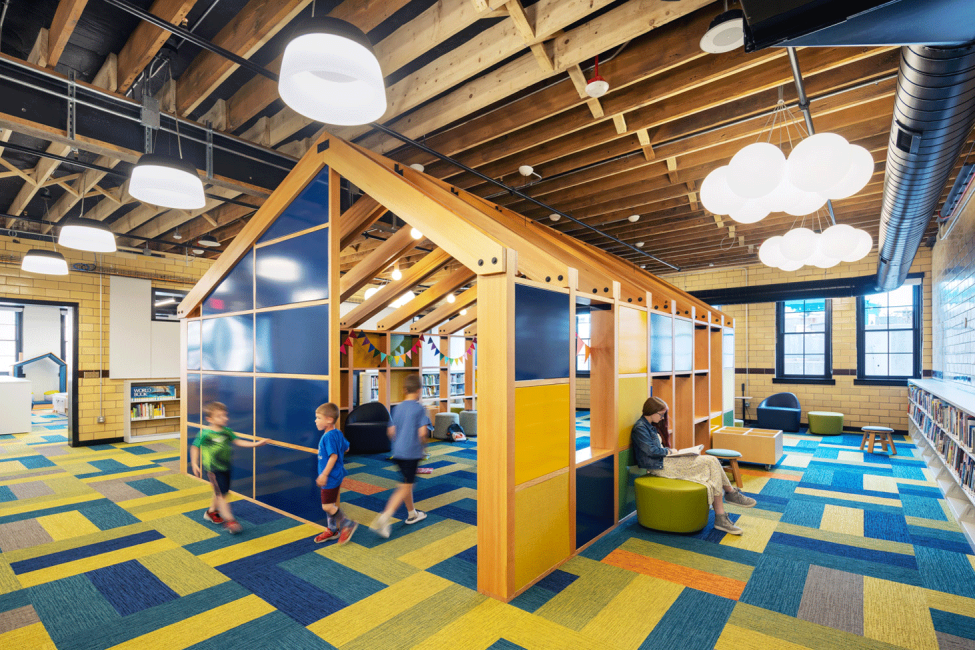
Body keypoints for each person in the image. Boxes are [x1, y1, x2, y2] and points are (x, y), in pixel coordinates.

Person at [631, 396, 756, 535]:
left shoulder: (649, 426)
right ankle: (729, 496)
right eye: (661, 414)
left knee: (712, 462)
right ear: (652, 412)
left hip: (665, 461)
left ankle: (725, 505)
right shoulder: (640, 428)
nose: (662, 418)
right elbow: (650, 450)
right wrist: (669, 451)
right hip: (658, 467)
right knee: (710, 462)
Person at [191, 401, 268, 534]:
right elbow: (195, 447)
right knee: (222, 495)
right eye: (220, 416)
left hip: (225, 467)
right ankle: (230, 520)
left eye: (225, 415)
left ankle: (210, 512)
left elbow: (238, 441)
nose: (225, 418)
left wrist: (255, 444)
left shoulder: (227, 432)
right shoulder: (205, 433)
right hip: (213, 469)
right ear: (209, 419)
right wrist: (194, 463)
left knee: (222, 492)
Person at [370, 374, 431, 537]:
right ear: (419, 391)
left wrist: (399, 444)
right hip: (411, 453)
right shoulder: (420, 409)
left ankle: (412, 514)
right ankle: (384, 517)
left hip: (397, 453)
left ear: (404, 390)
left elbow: (390, 431)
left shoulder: (396, 408)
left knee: (406, 484)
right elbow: (422, 433)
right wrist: (423, 448)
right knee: (404, 487)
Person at [313, 402, 357, 544]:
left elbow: (334, 456)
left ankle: (348, 524)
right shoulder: (337, 433)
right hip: (337, 475)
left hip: (330, 477)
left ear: (329, 420)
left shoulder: (328, 437)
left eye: (319, 418)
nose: (316, 420)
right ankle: (332, 529)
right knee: (330, 503)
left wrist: (324, 474)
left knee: (326, 506)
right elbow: (347, 448)